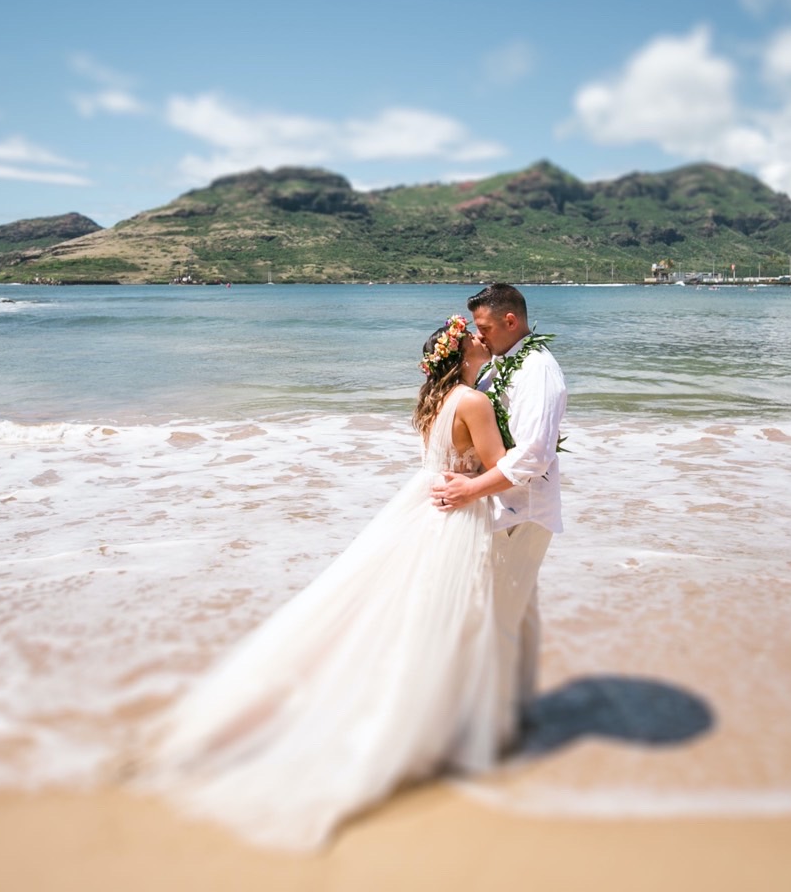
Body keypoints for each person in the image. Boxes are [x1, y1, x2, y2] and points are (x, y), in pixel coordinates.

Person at [141, 315, 518, 850]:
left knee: (405, 612)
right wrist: (511, 471)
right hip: (452, 511)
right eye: (476, 338)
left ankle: (420, 719)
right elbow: (501, 467)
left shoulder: (434, 401)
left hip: (417, 506)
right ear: (461, 354)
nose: (485, 342)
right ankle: (415, 730)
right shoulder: (474, 403)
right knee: (443, 617)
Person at [431, 283, 566, 738]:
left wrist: (470, 490)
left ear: (511, 321)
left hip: (520, 512)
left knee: (500, 616)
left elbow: (532, 457)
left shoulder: (538, 370)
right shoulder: (497, 366)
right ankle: (517, 713)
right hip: (501, 508)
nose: (480, 336)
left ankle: (492, 730)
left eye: (485, 327)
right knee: (514, 609)